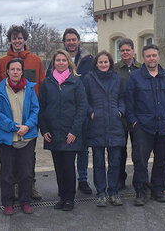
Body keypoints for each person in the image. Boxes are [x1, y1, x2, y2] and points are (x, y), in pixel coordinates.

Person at [125, 44, 165, 206]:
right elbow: (129, 103)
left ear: (158, 57)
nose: (152, 59)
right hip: (143, 126)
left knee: (162, 161)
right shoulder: (135, 77)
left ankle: (158, 190)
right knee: (140, 161)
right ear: (144, 58)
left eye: (154, 56)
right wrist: (134, 121)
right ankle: (141, 192)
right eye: (148, 56)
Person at [0, 25, 45, 201]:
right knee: (9, 158)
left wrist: (33, 118)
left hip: (29, 118)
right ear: (10, 40)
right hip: (9, 118)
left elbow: (41, 86)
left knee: (29, 157)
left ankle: (30, 186)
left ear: (24, 39)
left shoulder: (35, 61)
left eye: (20, 38)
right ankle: (13, 188)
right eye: (14, 38)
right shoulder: (2, 62)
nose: (17, 41)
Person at [39, 49, 87, 211]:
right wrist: (44, 129)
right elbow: (42, 107)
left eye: (63, 60)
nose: (60, 63)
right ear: (53, 63)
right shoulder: (47, 82)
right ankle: (62, 196)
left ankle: (69, 198)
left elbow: (82, 108)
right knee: (58, 167)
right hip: (53, 132)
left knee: (68, 167)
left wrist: (74, 131)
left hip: (70, 133)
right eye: (57, 60)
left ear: (68, 62)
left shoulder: (76, 82)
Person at [47, 28, 94, 194]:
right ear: (64, 42)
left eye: (74, 39)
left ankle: (82, 179)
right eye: (68, 40)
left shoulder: (89, 59)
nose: (71, 42)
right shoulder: (56, 60)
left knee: (82, 148)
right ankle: (66, 187)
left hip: (83, 108)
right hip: (63, 113)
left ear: (78, 41)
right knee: (65, 152)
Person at [0, 58, 39, 215]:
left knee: (26, 173)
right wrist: (13, 127)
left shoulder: (30, 89)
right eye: (12, 69)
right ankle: (8, 202)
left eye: (18, 69)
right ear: (7, 71)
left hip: (27, 137)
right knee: (7, 173)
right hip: (7, 138)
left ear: (22, 71)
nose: (15, 72)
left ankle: (25, 201)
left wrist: (27, 126)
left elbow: (35, 109)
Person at [82, 51, 126, 207]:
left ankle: (113, 192)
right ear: (96, 64)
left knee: (115, 163)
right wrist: (91, 112)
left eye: (106, 62)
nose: (103, 65)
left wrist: (120, 110)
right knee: (98, 162)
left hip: (114, 124)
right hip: (97, 125)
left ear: (110, 63)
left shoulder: (117, 78)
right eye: (100, 62)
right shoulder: (89, 79)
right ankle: (101, 193)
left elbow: (122, 97)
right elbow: (84, 99)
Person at [113, 38, 141, 190]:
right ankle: (120, 178)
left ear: (133, 51)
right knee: (120, 150)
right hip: (121, 116)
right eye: (122, 50)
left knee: (138, 150)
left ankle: (140, 178)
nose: (125, 52)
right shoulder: (115, 69)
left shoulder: (141, 68)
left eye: (127, 50)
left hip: (138, 115)